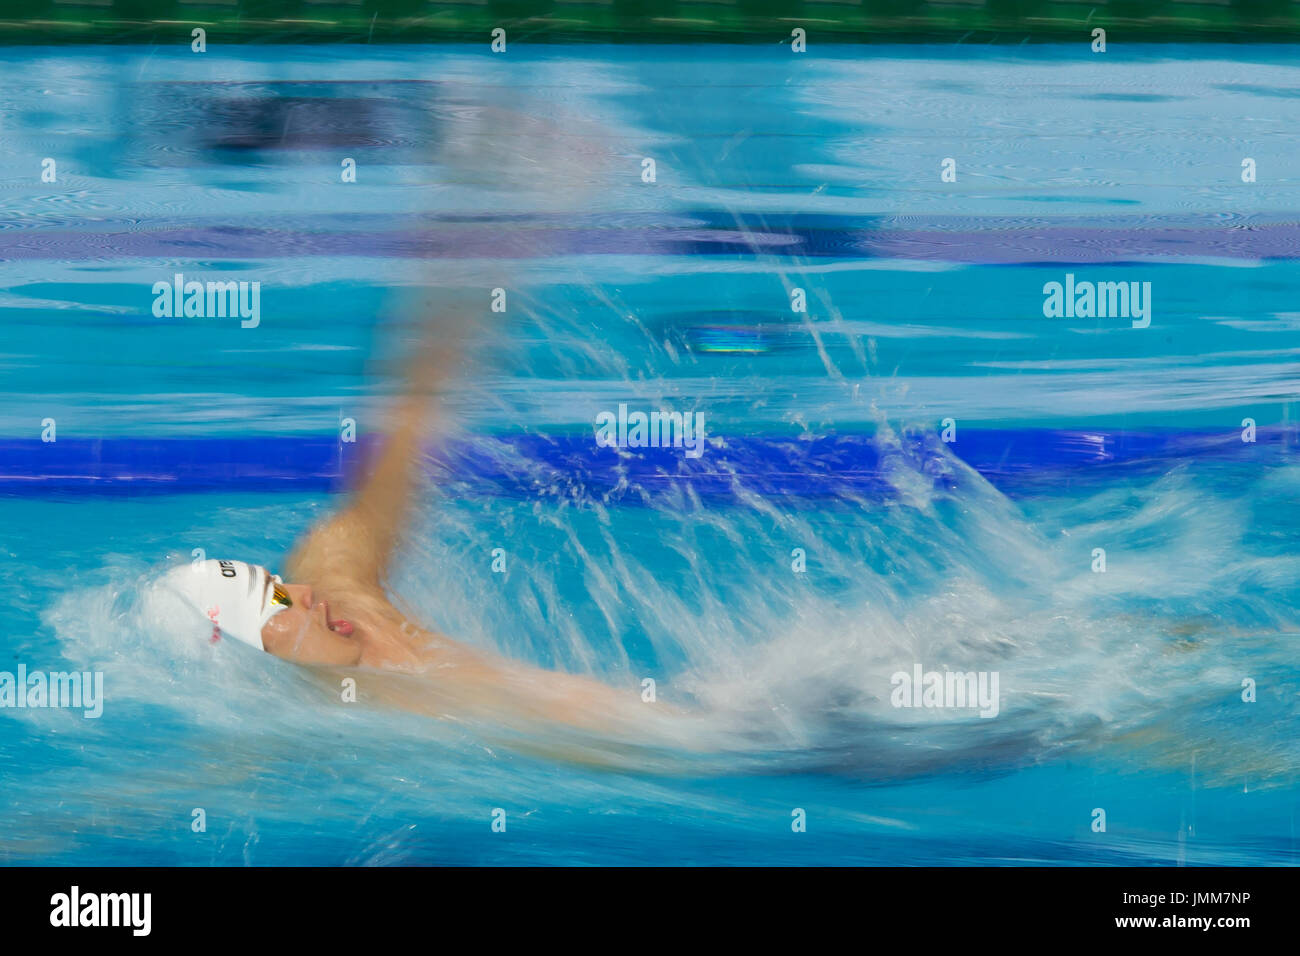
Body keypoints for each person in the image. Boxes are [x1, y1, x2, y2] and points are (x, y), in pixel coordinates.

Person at [160, 319, 654, 737]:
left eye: (279, 584)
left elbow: (400, 453)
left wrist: (448, 316)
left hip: (678, 726)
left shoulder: (342, 592)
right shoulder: (325, 729)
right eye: (276, 602)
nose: (304, 591)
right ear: (248, 656)